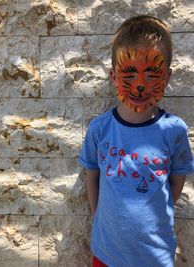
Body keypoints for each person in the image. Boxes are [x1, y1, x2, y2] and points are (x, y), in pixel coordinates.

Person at [78, 15, 194, 267]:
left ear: (167, 78)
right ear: (113, 76)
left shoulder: (174, 131)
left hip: (156, 256)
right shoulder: (99, 129)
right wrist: (101, 216)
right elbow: (92, 176)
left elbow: (176, 182)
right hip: (107, 253)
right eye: (129, 74)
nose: (140, 86)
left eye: (152, 75)